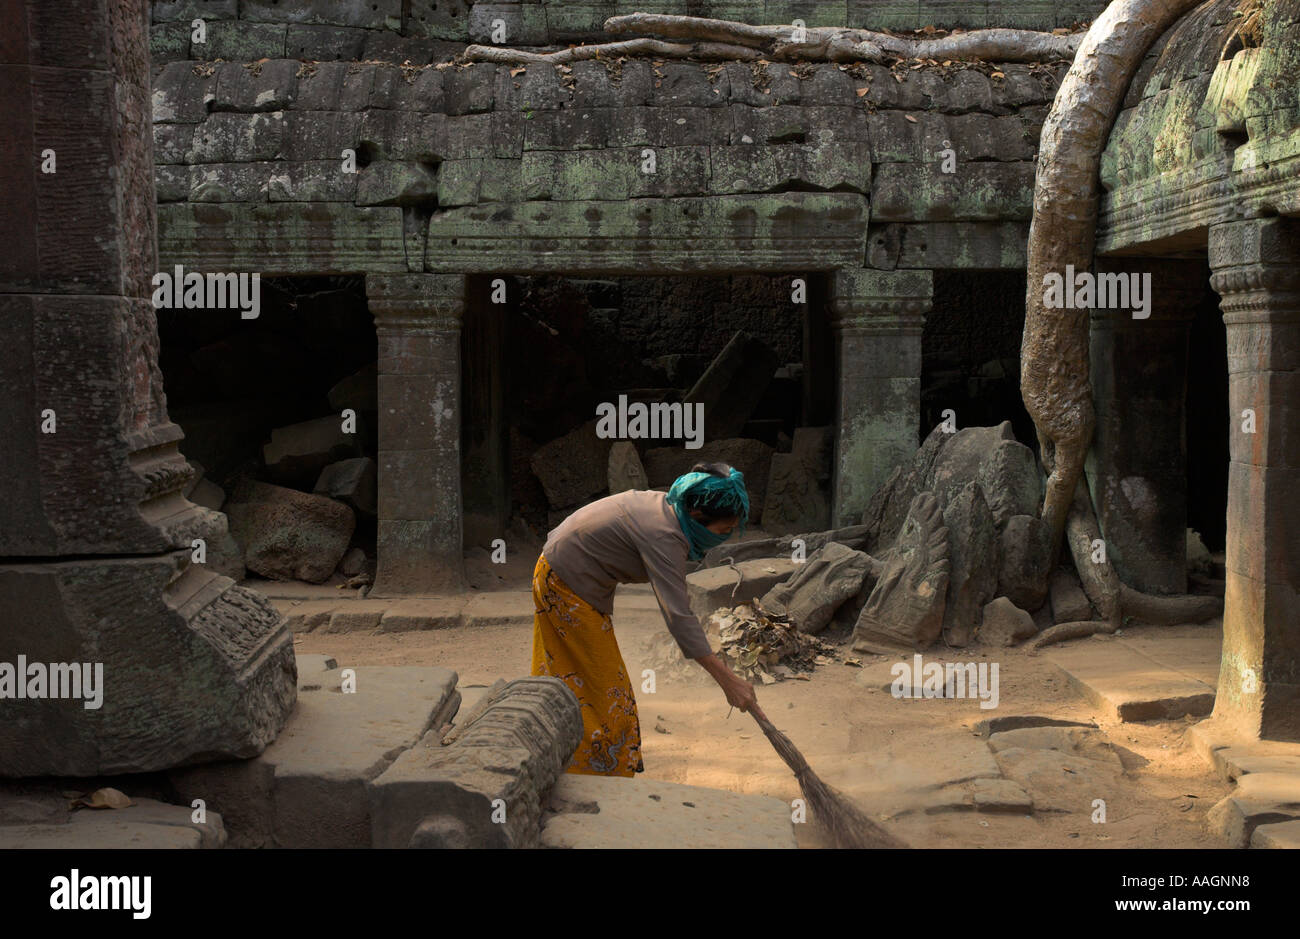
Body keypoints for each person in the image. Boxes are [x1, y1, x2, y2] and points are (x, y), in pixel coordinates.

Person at [530, 461, 767, 777]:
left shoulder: (669, 507)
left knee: (579, 681)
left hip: (564, 576)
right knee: (608, 695)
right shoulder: (665, 535)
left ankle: (571, 762)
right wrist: (729, 681)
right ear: (697, 517)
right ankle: (597, 776)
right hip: (564, 586)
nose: (722, 540)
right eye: (722, 532)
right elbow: (679, 617)